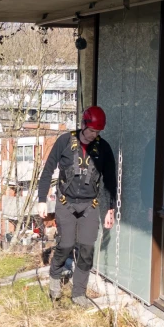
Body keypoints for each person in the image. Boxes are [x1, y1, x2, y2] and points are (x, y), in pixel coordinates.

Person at [36, 106, 117, 306]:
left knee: (87, 250)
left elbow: (110, 181)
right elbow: (47, 171)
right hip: (66, 203)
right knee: (66, 245)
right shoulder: (64, 142)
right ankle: (55, 275)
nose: (93, 135)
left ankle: (79, 293)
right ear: (83, 125)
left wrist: (110, 209)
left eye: (97, 132)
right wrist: (42, 200)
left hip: (90, 205)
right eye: (91, 131)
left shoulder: (104, 148)